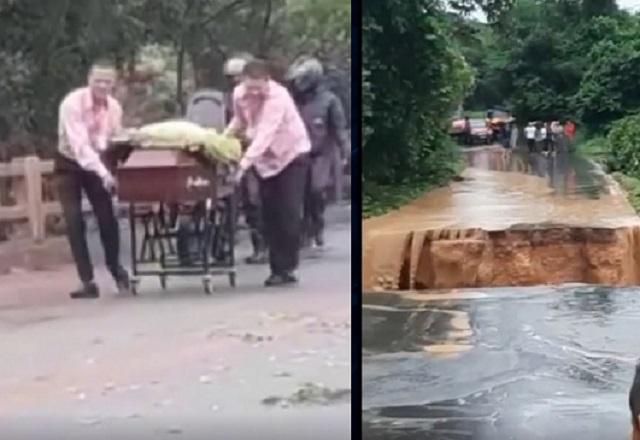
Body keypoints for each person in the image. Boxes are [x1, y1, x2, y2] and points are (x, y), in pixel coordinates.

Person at [224, 59, 311, 286]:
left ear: (267, 80)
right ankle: (277, 269)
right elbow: (240, 121)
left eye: (258, 87)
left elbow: (265, 133)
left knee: (289, 214)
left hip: (291, 156)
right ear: (243, 81)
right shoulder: (239, 94)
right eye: (249, 87)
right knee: (270, 215)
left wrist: (243, 166)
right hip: (265, 161)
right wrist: (222, 139)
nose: (254, 92)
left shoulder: (278, 97)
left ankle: (287, 266)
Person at [55, 60, 129, 299]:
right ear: (89, 80)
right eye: (98, 80)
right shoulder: (72, 104)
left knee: (107, 216)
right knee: (74, 219)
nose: (103, 86)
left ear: (113, 84)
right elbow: (80, 147)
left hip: (99, 161)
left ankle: (116, 269)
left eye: (108, 82)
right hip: (70, 162)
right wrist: (104, 173)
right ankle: (86, 280)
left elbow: (114, 138)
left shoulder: (114, 107)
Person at [286, 57, 349, 249]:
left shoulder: (329, 100)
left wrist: (346, 152)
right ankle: (303, 229)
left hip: (322, 154)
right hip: (297, 154)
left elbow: (339, 129)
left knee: (316, 190)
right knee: (298, 194)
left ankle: (317, 225)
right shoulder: (291, 101)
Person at [223, 53, 268, 264]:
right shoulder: (232, 97)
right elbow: (234, 122)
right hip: (237, 152)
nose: (235, 81)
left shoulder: (261, 96)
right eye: (231, 77)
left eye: (238, 76)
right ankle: (226, 247)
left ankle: (262, 246)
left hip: (257, 153)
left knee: (254, 200)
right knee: (234, 201)